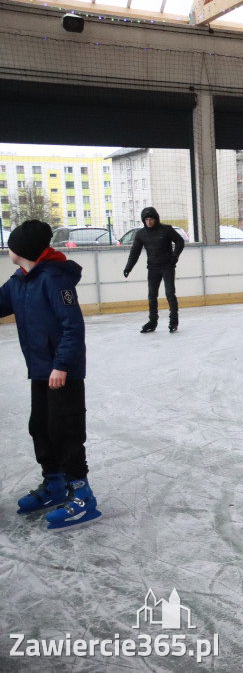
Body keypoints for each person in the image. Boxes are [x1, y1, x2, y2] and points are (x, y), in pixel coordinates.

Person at [0, 220, 101, 529]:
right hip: (41, 370)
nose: (8, 250)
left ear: (22, 250)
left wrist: (61, 365)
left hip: (63, 372)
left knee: (65, 429)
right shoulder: (19, 281)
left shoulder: (55, 280)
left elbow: (73, 326)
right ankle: (55, 483)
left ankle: (83, 496)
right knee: (40, 427)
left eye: (12, 246)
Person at [123, 206, 185, 333]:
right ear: (143, 221)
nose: (149, 222)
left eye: (151, 219)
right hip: (153, 268)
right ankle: (152, 321)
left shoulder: (166, 230)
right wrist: (128, 267)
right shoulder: (141, 234)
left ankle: (173, 321)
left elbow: (180, 241)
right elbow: (135, 252)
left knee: (169, 294)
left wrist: (175, 256)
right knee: (152, 296)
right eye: (147, 220)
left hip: (167, 267)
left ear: (156, 219)